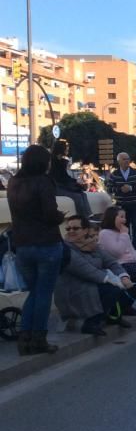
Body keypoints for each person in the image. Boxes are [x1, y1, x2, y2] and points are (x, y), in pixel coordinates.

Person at [7, 145, 65, 356]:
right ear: (43, 162)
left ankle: (25, 338)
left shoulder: (14, 182)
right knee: (43, 294)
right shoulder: (43, 181)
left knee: (34, 292)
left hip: (22, 245)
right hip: (46, 244)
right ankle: (38, 338)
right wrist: (60, 216)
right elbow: (50, 213)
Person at [56, 215, 136, 336]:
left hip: (91, 282)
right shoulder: (66, 249)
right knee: (112, 290)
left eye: (75, 228)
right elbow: (86, 270)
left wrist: (123, 276)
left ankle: (112, 316)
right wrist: (113, 280)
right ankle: (91, 323)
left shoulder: (93, 245)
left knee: (128, 284)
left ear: (85, 230)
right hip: (73, 287)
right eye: (68, 229)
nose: (71, 231)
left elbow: (111, 262)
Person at [106, 152, 136, 251]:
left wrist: (131, 188)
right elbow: (109, 189)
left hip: (135, 204)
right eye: (124, 159)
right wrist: (120, 189)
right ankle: (126, 249)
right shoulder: (114, 175)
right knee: (123, 229)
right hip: (121, 206)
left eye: (128, 159)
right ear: (119, 161)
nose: (127, 161)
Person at [49, 140, 92, 219]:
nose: (68, 149)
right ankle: (83, 218)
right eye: (66, 148)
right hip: (56, 187)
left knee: (83, 194)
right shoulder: (53, 161)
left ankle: (89, 216)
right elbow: (60, 178)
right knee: (77, 196)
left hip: (61, 185)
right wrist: (75, 183)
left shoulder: (60, 161)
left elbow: (64, 176)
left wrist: (75, 183)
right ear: (62, 149)